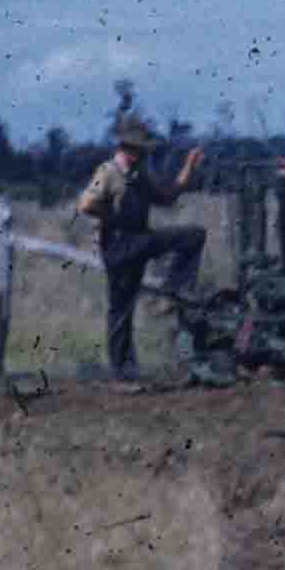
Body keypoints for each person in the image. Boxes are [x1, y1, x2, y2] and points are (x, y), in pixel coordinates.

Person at [74, 113, 208, 381]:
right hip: (120, 247)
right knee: (120, 311)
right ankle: (123, 373)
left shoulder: (139, 175)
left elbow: (168, 196)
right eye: (140, 149)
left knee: (123, 309)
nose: (144, 153)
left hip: (137, 243)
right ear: (128, 148)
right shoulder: (109, 172)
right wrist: (113, 217)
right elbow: (85, 204)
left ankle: (174, 290)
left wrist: (188, 166)